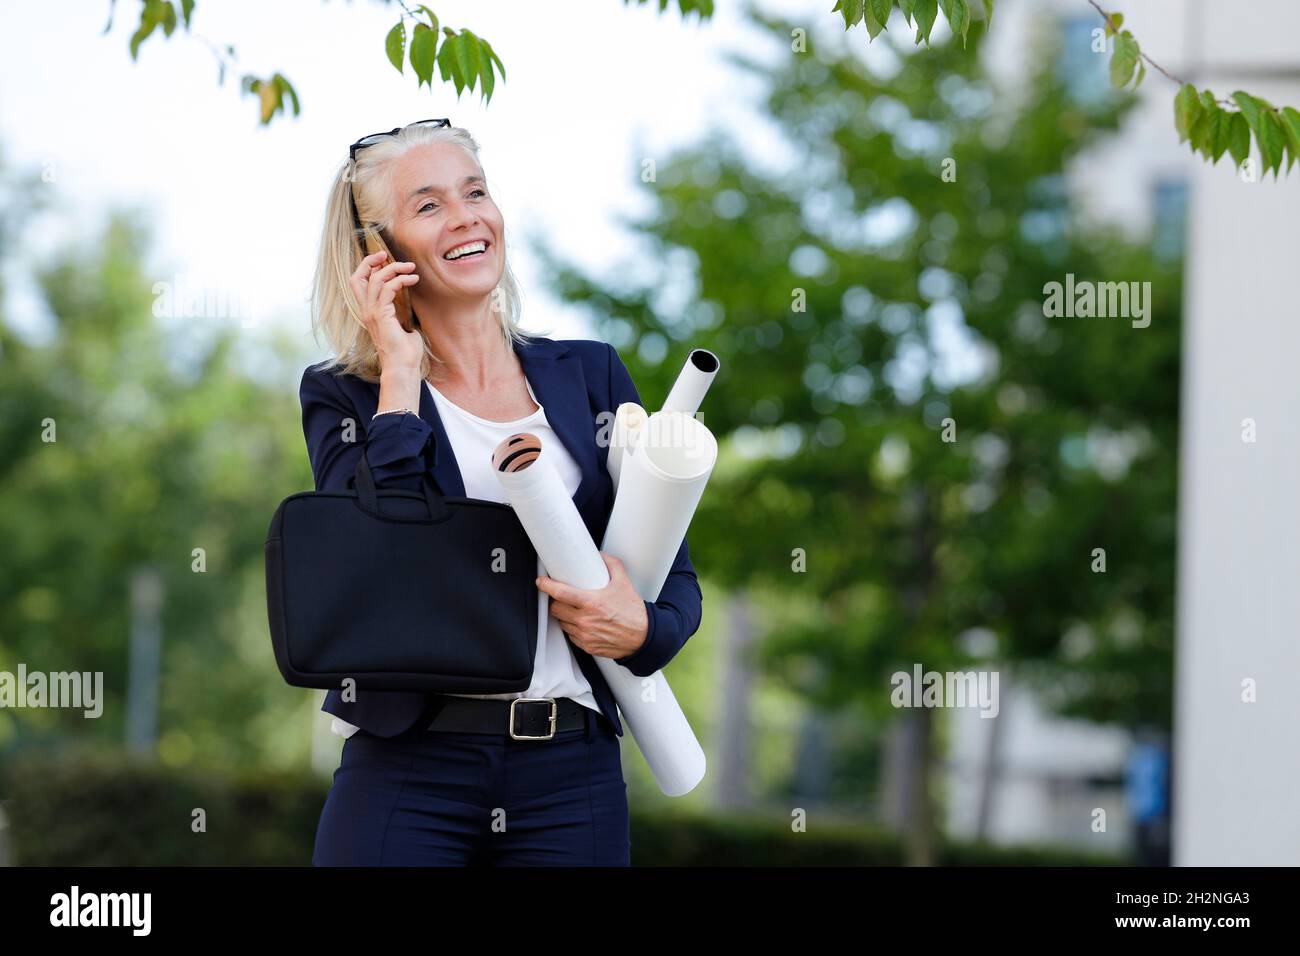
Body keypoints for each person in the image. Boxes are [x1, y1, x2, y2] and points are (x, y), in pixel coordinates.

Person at [300, 119, 703, 866]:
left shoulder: (591, 374)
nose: (466, 218)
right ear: (377, 253)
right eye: (428, 205)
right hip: (409, 768)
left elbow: (672, 570)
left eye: (475, 192)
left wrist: (644, 631)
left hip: (570, 773)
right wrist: (398, 373)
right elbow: (378, 557)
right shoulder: (345, 395)